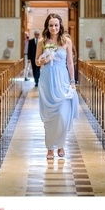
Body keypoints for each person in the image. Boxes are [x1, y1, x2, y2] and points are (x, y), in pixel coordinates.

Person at [34, 13, 79, 160]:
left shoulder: (66, 41)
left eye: (56, 25)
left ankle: (61, 144)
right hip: (47, 79)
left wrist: (73, 81)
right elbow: (36, 62)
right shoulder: (42, 41)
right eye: (51, 25)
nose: (54, 27)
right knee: (50, 116)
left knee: (63, 115)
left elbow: (70, 63)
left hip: (63, 79)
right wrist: (47, 57)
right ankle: (50, 148)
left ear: (60, 26)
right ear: (47, 26)